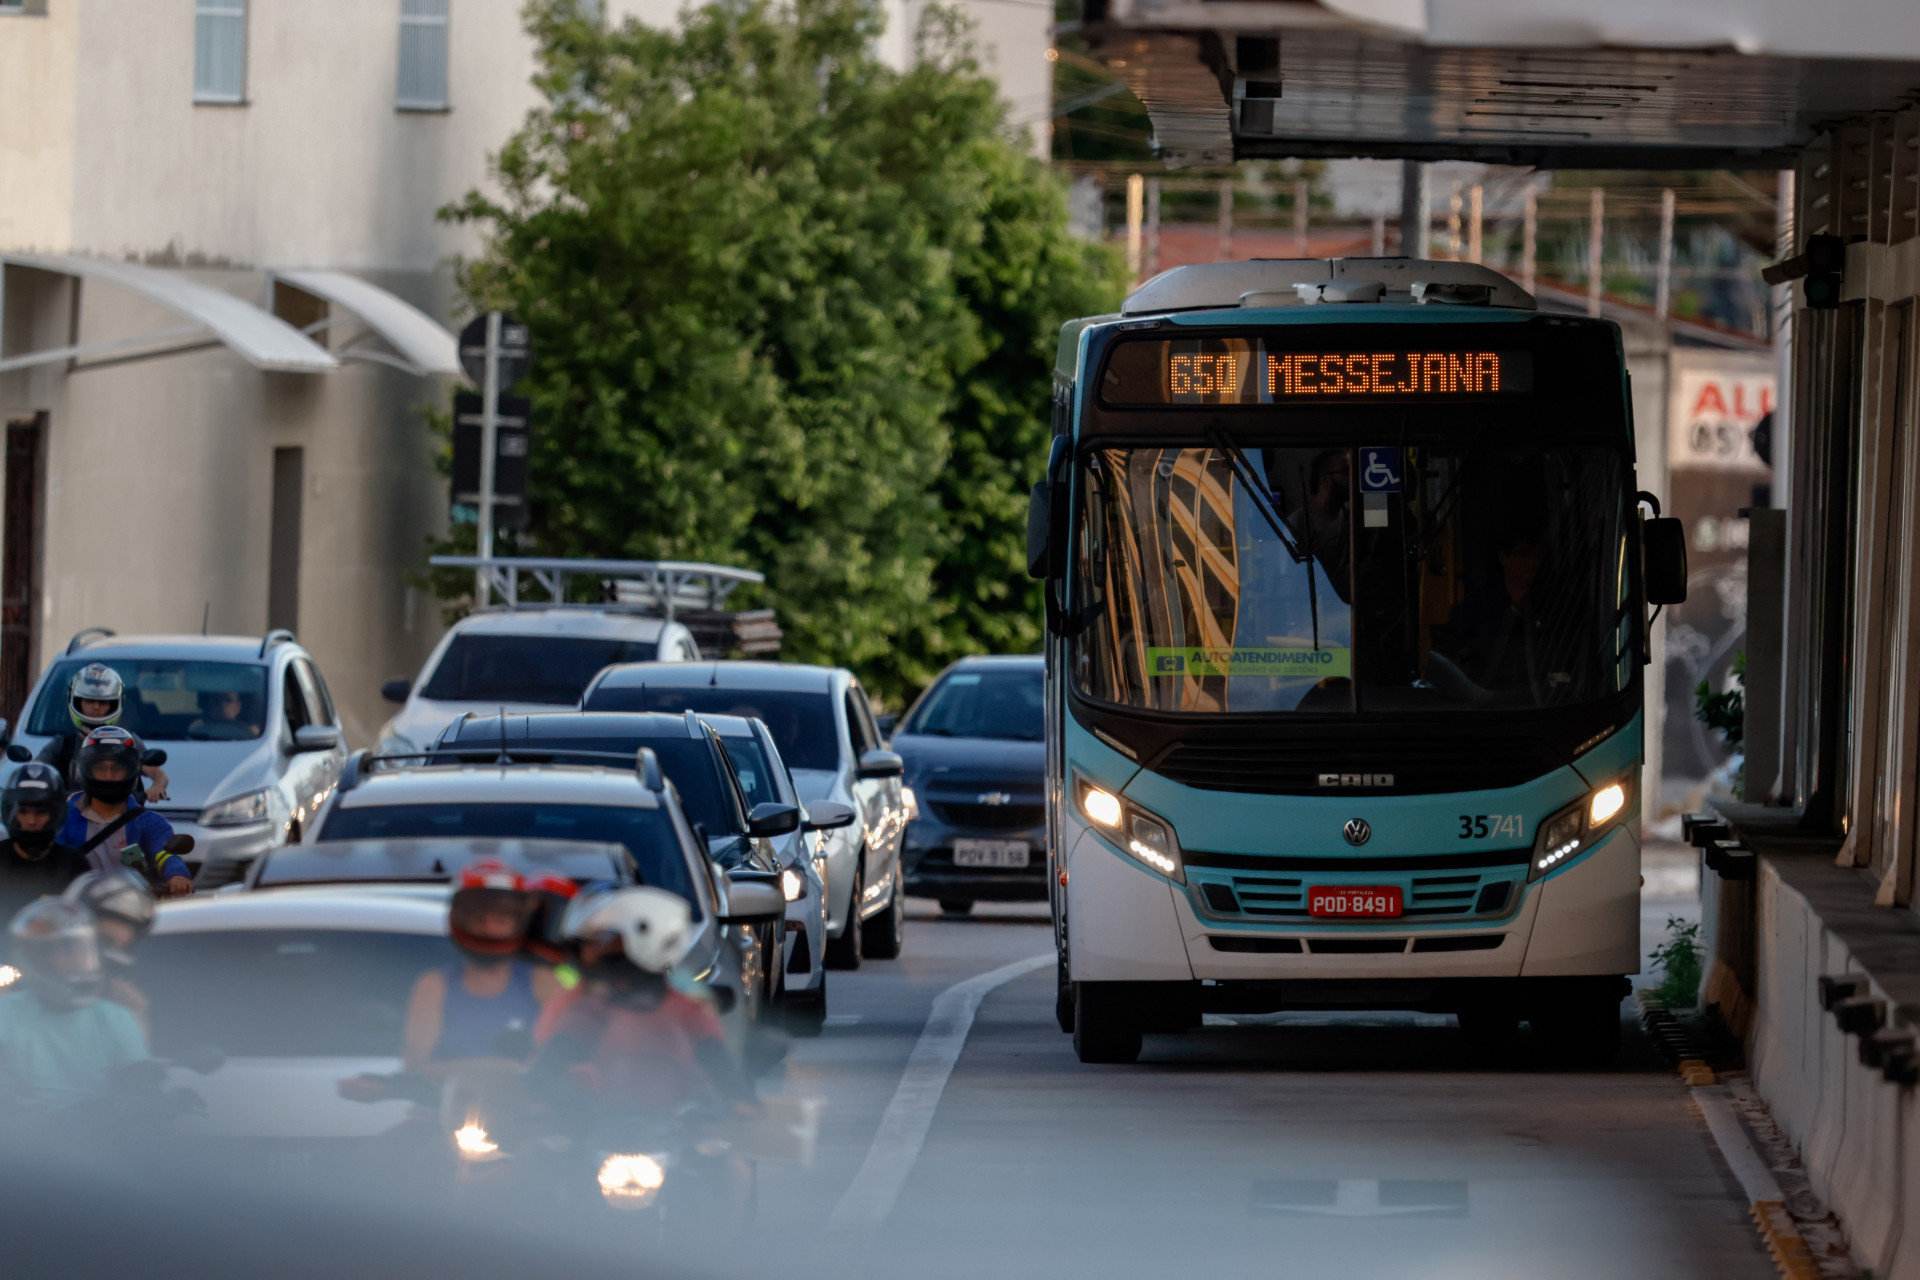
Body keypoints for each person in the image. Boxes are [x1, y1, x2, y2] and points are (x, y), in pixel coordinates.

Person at [532, 886, 755, 1114]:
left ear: (639, 941)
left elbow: (715, 1058)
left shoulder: (686, 1010)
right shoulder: (587, 1008)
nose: (587, 954)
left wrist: (739, 1101)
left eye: (597, 942)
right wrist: (537, 1097)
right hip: (595, 1128)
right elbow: (556, 1056)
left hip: (673, 1132)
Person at [0, 899, 149, 1114]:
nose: (79, 959)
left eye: (84, 948)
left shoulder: (116, 1018)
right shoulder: (6, 1013)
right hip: (21, 1139)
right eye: (67, 950)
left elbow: (140, 1086)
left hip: (97, 1139)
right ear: (40, 958)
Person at [51, 728, 192, 897]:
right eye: (100, 768)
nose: (109, 775)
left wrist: (177, 875)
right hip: (79, 910)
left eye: (117, 768)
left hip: (134, 907)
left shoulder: (150, 822)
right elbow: (50, 861)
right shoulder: (64, 820)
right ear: (85, 770)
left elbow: (165, 854)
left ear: (131, 770)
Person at [38, 665, 169, 801]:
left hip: (123, 818)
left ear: (114, 704)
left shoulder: (127, 741)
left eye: (103, 702)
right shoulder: (63, 745)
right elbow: (36, 769)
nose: (96, 707)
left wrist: (156, 787)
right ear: (76, 701)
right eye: (89, 701)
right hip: (74, 817)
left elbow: (158, 773)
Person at [62, 871, 157, 1032]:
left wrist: (134, 1017)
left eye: (124, 947)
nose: (113, 956)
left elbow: (137, 1056)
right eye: (105, 940)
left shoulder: (129, 1002)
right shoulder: (17, 992)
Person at [0, 763, 85, 913]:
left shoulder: (74, 864)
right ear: (10, 812)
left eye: (40, 812)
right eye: (23, 811)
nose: (31, 820)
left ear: (55, 814)